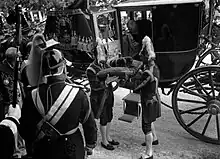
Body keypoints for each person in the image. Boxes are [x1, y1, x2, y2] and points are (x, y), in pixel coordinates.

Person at [19, 43, 97, 159]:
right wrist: (90, 145)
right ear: (62, 68)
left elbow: (25, 130)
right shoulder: (78, 94)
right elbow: (89, 124)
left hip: (43, 149)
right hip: (72, 149)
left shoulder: (32, 96)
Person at [86, 38, 119, 151]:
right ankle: (104, 141)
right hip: (99, 97)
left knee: (110, 115)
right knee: (104, 117)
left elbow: (113, 70)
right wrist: (108, 81)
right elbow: (95, 86)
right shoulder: (91, 69)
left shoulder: (104, 65)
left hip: (108, 94)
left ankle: (108, 137)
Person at [135, 36, 161, 159]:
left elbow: (138, 86)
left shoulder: (148, 73)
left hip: (148, 101)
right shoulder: (155, 68)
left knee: (146, 126)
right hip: (154, 98)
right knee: (150, 121)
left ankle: (149, 153)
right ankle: (154, 139)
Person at [0, 47, 23, 122]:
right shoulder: (3, 72)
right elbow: (8, 93)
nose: (21, 60)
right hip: (8, 108)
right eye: (19, 58)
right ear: (14, 60)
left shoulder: (14, 68)